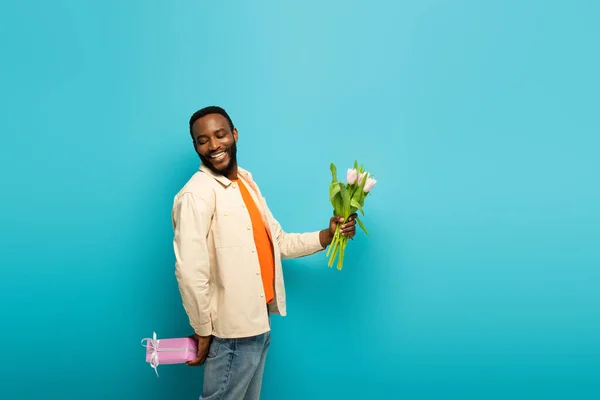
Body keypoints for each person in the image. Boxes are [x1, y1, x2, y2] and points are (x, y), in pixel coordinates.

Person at [171, 106, 357, 399]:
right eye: (202, 140)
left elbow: (278, 242)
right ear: (195, 146)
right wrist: (202, 330)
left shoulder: (245, 183)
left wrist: (327, 235)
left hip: (258, 322)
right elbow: (190, 272)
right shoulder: (196, 195)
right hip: (230, 333)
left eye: (220, 135)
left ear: (234, 134)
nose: (214, 145)